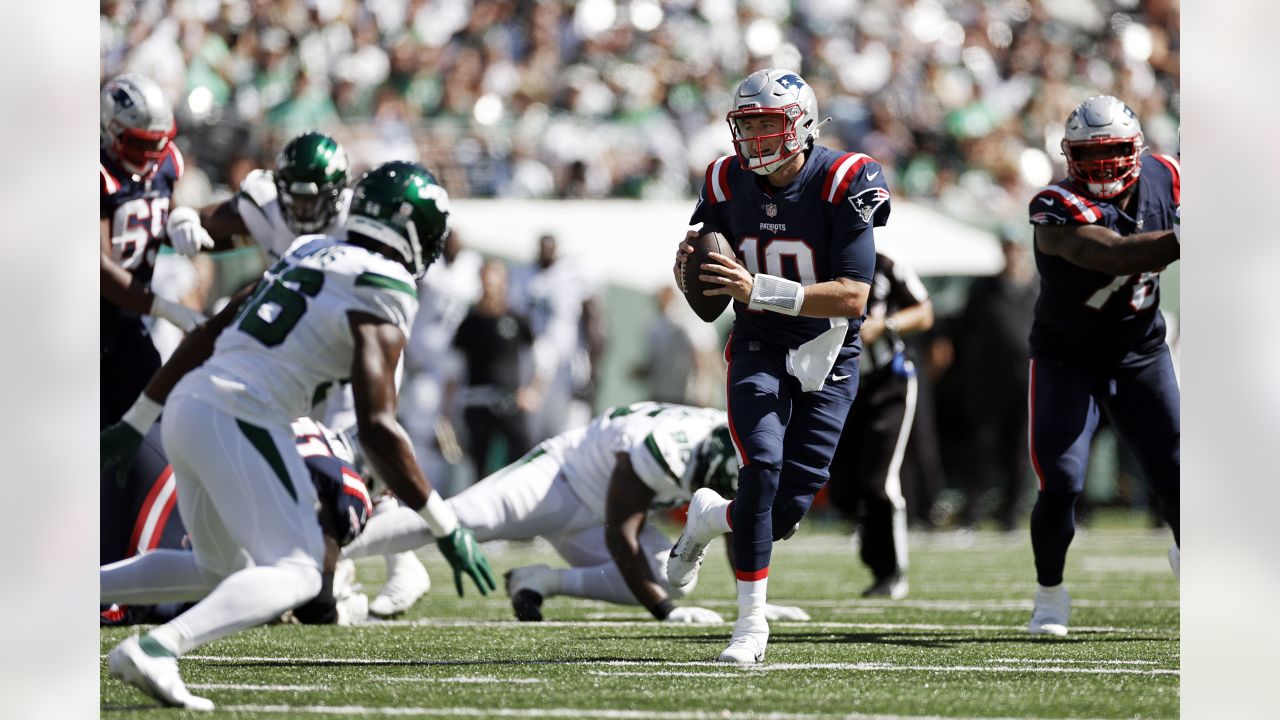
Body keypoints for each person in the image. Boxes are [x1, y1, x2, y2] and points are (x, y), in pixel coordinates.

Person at [97, 161, 496, 710]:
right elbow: (378, 427)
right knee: (301, 571)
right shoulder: (386, 284)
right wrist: (444, 525)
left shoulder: (307, 249)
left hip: (190, 403)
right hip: (242, 412)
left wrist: (139, 420)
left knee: (217, 569)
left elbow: (212, 330)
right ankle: (159, 648)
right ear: (409, 227)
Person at [668, 68, 887, 663]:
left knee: (785, 511)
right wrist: (691, 271)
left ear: (804, 125)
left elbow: (853, 296)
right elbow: (707, 278)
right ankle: (750, 625)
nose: (758, 139)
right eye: (749, 125)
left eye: (771, 125)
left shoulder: (847, 178)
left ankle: (710, 516)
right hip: (760, 340)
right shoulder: (722, 178)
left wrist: (756, 285)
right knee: (761, 465)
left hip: (829, 348)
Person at [196, 132, 434, 617]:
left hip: (355, 335)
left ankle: (381, 560)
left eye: (313, 198)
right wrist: (184, 220)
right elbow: (213, 223)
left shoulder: (360, 219)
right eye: (294, 196)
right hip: (296, 344)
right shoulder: (263, 202)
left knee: (352, 445)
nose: (302, 211)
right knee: (308, 452)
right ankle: (325, 563)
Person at [343, 401, 810, 624]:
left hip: (598, 516)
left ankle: (539, 581)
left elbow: (736, 522)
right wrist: (665, 614)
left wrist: (755, 602)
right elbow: (620, 535)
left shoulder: (729, 445)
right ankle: (334, 545)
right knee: (459, 520)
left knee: (670, 573)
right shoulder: (668, 446)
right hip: (559, 482)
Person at [1024, 96, 1180, 636]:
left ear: (1136, 150)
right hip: (1069, 358)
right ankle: (1050, 594)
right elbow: (1114, 256)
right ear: (1069, 156)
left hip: (1141, 351)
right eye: (1092, 154)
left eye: (1115, 152)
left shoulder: (1168, 177)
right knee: (1062, 481)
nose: (1105, 165)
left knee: (1178, 471)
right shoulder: (1054, 206)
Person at [101, 419, 374, 628]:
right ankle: (157, 650)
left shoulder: (308, 426)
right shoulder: (346, 480)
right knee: (115, 606)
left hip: (164, 440)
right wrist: (339, 612)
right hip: (170, 482)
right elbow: (315, 601)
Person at [100, 73, 213, 427]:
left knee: (150, 415)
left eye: (157, 144)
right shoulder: (99, 174)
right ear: (110, 131)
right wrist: (163, 308)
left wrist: (181, 219)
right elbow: (98, 269)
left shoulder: (164, 164)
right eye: (139, 144)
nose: (150, 156)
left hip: (126, 321)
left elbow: (160, 209)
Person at [827, 251, 932, 600]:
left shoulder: (886, 266)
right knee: (841, 486)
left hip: (889, 384)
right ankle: (876, 555)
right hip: (840, 384)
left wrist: (885, 325)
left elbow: (924, 312)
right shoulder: (816, 261)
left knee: (879, 481)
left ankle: (891, 572)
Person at [957, 230, 1038, 531]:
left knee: (1021, 451)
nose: (1012, 254)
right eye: (1008, 248)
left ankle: (1011, 514)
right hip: (989, 381)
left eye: (1016, 247)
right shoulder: (985, 287)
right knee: (982, 447)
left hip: (1027, 380)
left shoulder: (1039, 287)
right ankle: (973, 512)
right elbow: (966, 329)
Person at [508, 233, 606, 441]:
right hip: (533, 367)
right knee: (533, 436)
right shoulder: (523, 276)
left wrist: (593, 372)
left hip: (568, 368)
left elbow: (593, 322)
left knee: (570, 436)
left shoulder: (574, 275)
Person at [449, 260, 539, 477]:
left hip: (511, 402)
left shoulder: (518, 320)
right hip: (477, 402)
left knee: (522, 460)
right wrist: (447, 410)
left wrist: (533, 390)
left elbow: (540, 358)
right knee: (480, 469)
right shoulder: (469, 323)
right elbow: (453, 368)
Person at [632, 286, 722, 407]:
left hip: (688, 398)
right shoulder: (655, 326)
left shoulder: (689, 320)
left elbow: (703, 355)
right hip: (662, 396)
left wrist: (701, 390)